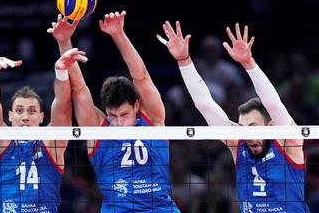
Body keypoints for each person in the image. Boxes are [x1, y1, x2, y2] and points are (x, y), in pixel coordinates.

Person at [157, 21, 310, 213]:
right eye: (243, 128)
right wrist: (184, 61)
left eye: (253, 126)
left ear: (272, 126)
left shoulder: (290, 143)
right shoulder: (239, 145)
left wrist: (249, 64)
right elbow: (205, 105)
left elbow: (273, 104)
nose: (247, 135)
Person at [47, 11, 180, 212]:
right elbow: (79, 89)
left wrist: (118, 35)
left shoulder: (152, 119)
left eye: (124, 115)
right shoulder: (98, 130)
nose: (118, 123)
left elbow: (141, 76)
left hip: (160, 208)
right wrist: (64, 42)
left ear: (136, 106)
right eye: (113, 116)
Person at [0, 52, 86, 212]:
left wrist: (61, 73)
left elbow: (63, 107)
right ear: (10, 116)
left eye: (31, 111)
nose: (25, 117)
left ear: (41, 117)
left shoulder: (51, 144)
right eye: (19, 111)